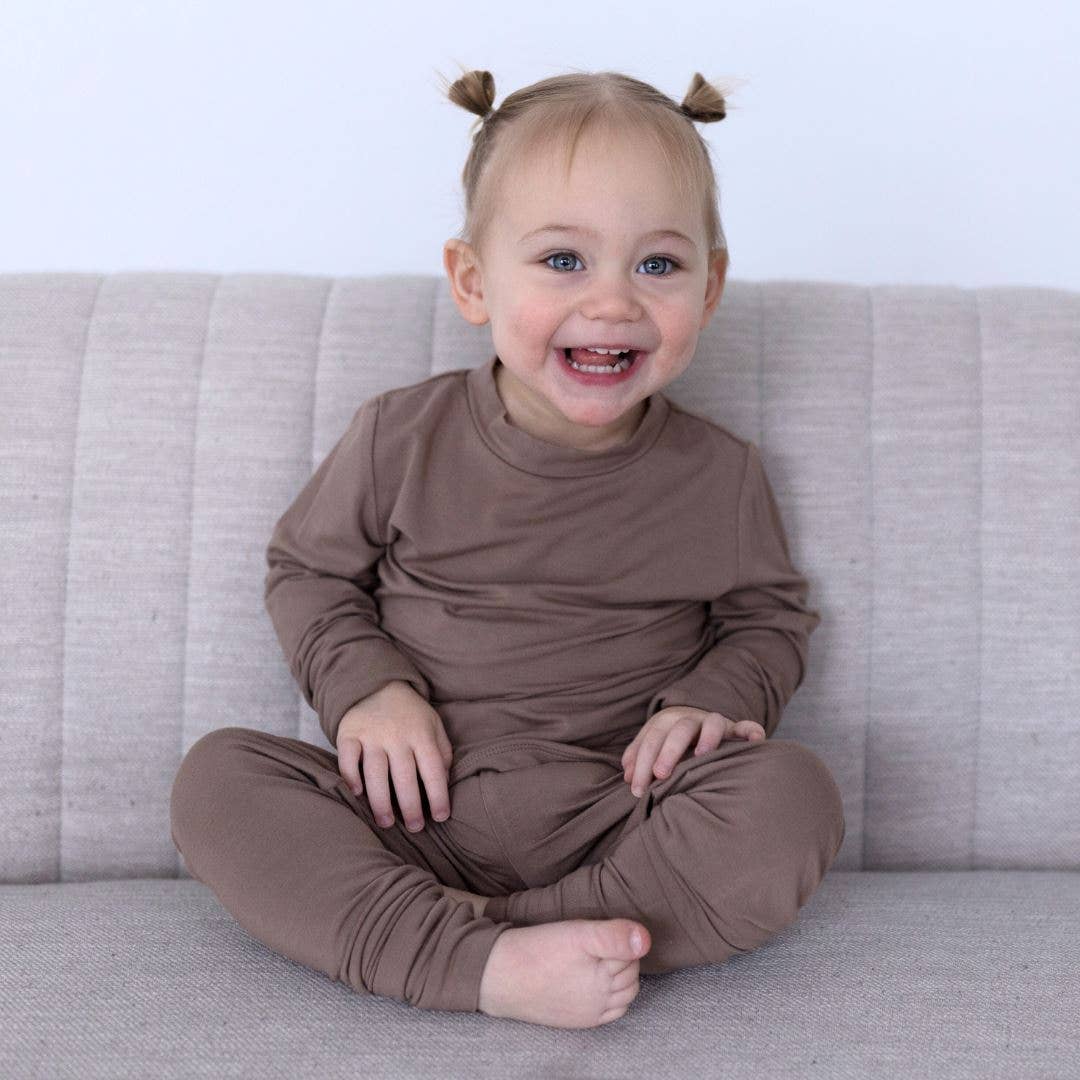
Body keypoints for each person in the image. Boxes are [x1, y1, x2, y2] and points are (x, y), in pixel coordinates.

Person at [169, 67, 845, 1031]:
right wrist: (368, 690)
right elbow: (308, 572)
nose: (612, 303)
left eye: (658, 266)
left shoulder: (721, 474)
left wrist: (713, 701)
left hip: (623, 817)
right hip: (413, 816)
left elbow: (767, 620)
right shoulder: (401, 437)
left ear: (712, 286)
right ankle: (516, 951)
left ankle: (475, 943)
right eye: (564, 260)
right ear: (473, 281)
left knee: (793, 796)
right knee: (218, 782)